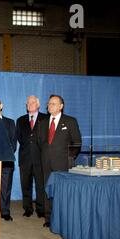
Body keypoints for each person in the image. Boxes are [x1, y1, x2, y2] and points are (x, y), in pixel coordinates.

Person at [37, 94, 82, 228]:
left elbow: (77, 143)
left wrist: (69, 159)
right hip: (46, 162)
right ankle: (48, 218)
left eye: (53, 104)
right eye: (49, 104)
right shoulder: (43, 122)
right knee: (47, 190)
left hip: (63, 163)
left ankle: (63, 218)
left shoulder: (70, 121)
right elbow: (41, 142)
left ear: (61, 106)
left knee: (61, 191)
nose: (50, 106)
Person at [16, 96, 48, 218]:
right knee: (26, 185)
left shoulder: (45, 118)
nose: (30, 104)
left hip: (40, 158)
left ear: (38, 105)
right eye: (28, 103)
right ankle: (27, 208)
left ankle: (41, 209)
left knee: (40, 186)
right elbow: (19, 138)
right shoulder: (20, 120)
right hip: (25, 159)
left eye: (33, 102)